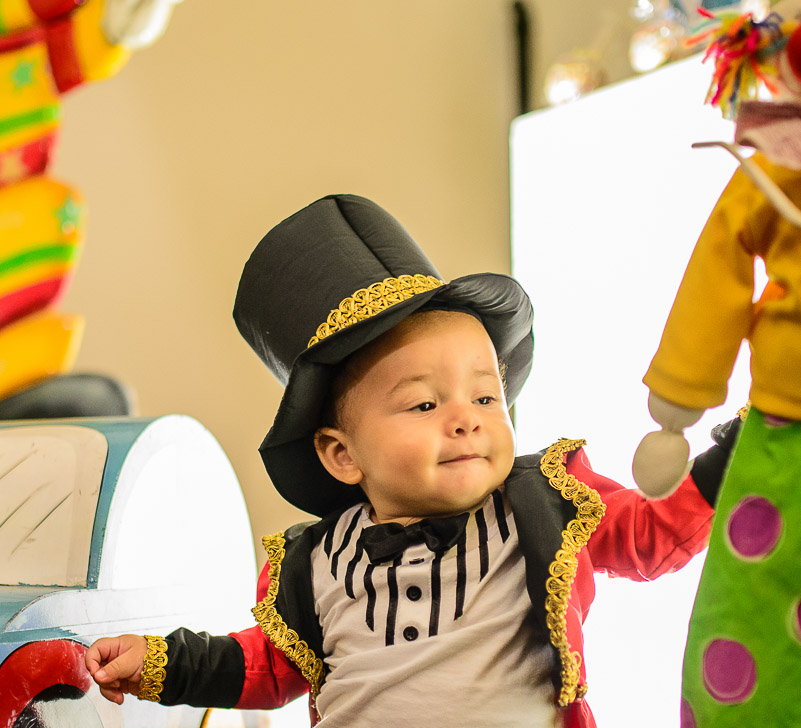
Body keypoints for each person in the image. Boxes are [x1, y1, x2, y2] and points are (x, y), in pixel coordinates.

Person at [85, 194, 734, 727]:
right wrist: (158, 663)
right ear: (342, 455)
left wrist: (732, 458)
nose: (466, 416)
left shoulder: (550, 496)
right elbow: (266, 668)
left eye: (486, 395)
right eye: (423, 404)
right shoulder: (315, 562)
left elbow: (655, 538)